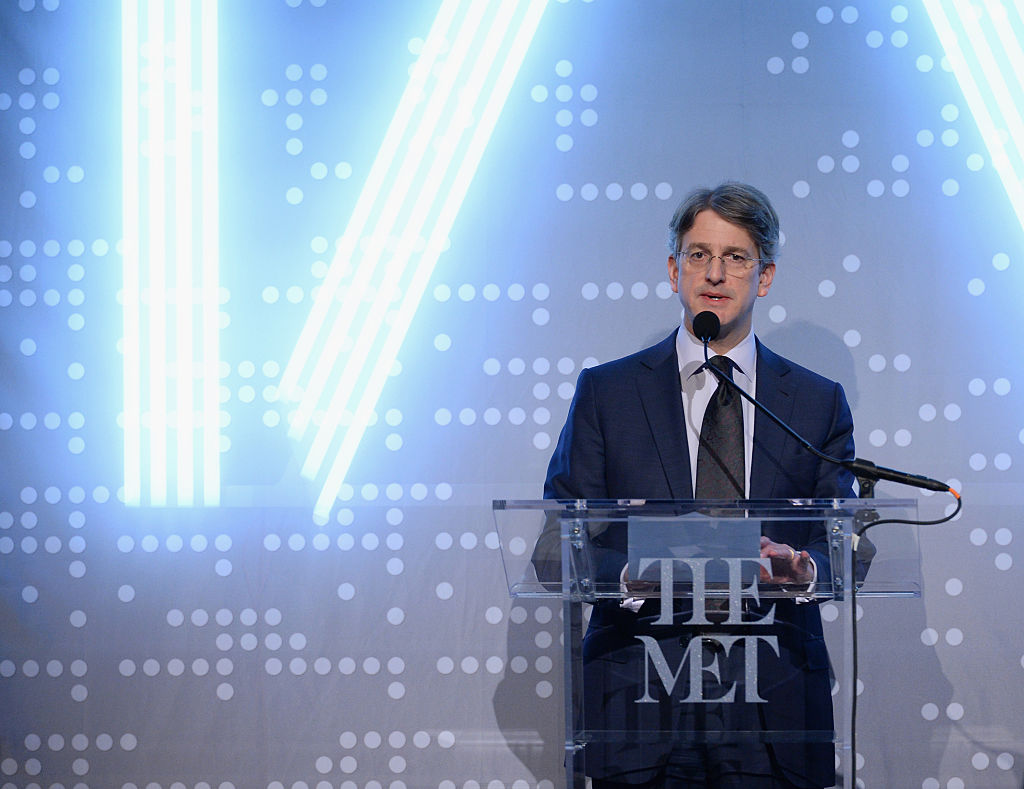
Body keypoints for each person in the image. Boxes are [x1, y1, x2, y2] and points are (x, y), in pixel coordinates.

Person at [542, 182, 855, 788]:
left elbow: (847, 546)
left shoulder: (816, 404)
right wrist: (629, 574)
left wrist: (806, 569)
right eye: (698, 255)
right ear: (673, 269)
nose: (715, 273)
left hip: (776, 709)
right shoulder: (608, 395)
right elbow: (556, 547)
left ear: (764, 277)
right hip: (638, 707)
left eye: (736, 257)